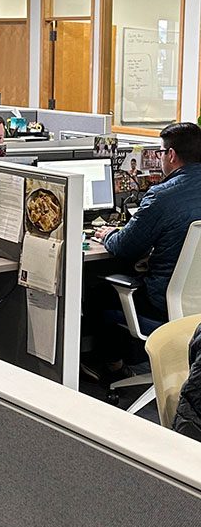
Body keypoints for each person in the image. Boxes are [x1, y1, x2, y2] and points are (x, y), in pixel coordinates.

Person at [88, 122, 201, 379]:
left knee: (97, 293)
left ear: (171, 155)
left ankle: (113, 369)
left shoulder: (162, 195)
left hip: (163, 304)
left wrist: (108, 234)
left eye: (161, 152)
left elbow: (125, 247)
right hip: (197, 305)